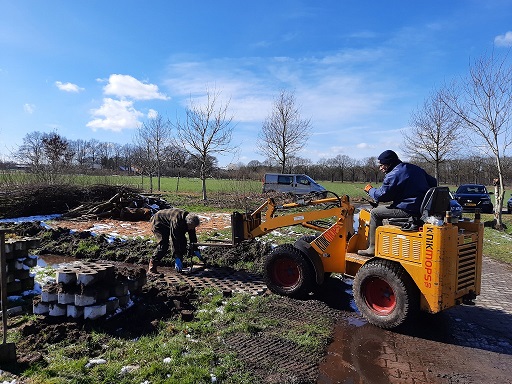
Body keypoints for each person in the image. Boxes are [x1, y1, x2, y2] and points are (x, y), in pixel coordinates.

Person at [358, 150, 437, 256]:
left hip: (407, 209)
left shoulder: (394, 174)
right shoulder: (414, 168)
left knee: (375, 213)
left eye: (382, 165)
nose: (380, 168)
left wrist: (370, 190)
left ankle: (372, 248)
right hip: (420, 209)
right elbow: (433, 182)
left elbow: (381, 196)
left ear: (389, 163)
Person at [148, 208, 201, 274]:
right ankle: (152, 267)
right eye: (191, 227)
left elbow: (192, 236)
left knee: (183, 242)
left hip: (169, 222)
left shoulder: (190, 220)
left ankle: (181, 264)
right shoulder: (177, 221)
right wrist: (176, 257)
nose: (192, 229)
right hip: (158, 223)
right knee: (163, 245)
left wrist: (195, 248)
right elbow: (174, 239)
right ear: (187, 223)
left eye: (194, 227)